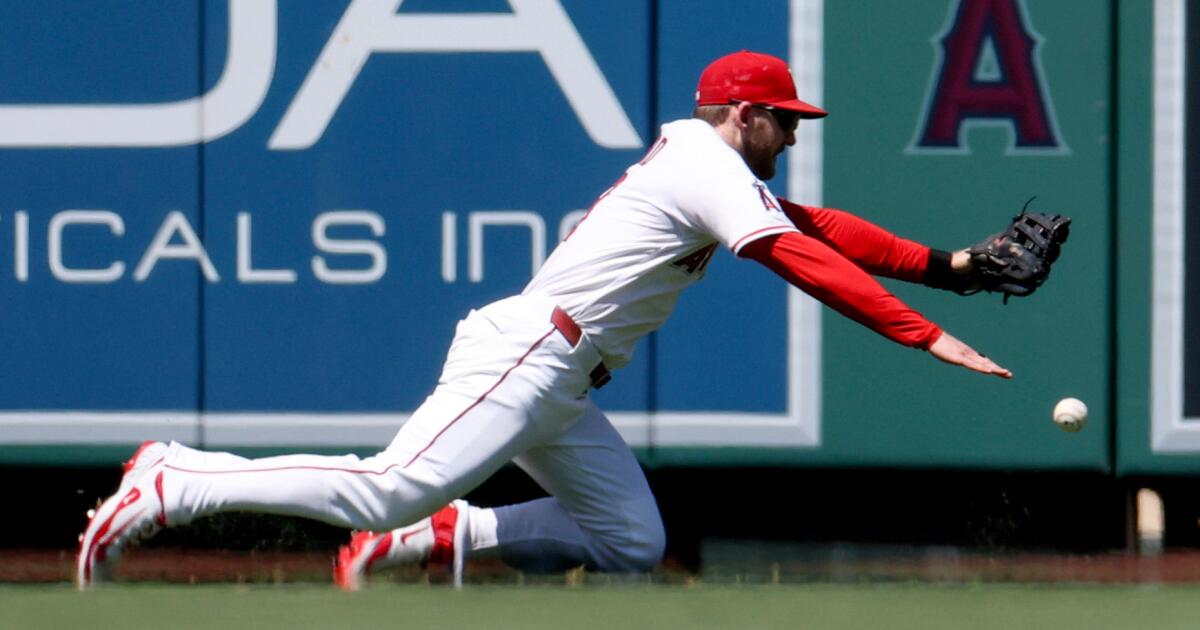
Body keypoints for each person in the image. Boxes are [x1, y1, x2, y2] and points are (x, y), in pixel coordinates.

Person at [76, 50, 1010, 589]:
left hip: (560, 378)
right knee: (389, 484)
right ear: (742, 113)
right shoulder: (702, 161)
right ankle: (175, 480)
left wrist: (950, 270)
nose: (796, 132)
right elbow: (796, 255)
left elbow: (822, 227)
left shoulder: (720, 172)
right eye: (785, 119)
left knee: (631, 543)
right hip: (533, 349)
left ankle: (445, 539)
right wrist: (922, 333)